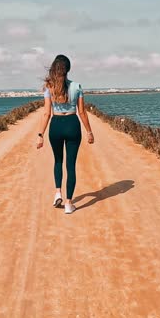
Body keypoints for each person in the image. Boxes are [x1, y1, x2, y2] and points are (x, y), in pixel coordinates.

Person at [36, 54, 94, 214]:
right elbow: (82, 112)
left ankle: (57, 193)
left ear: (54, 69)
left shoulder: (50, 87)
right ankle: (69, 204)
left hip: (56, 126)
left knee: (57, 161)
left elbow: (46, 113)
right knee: (71, 165)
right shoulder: (77, 86)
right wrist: (89, 131)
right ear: (68, 69)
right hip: (72, 125)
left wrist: (40, 134)